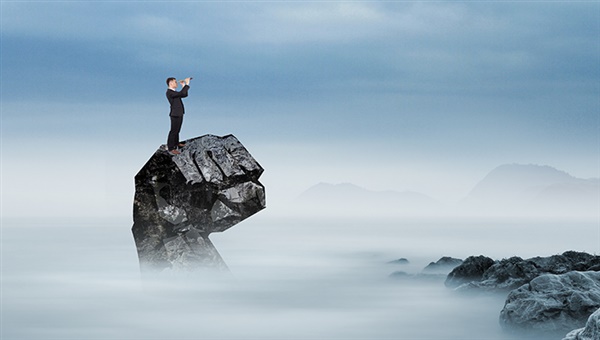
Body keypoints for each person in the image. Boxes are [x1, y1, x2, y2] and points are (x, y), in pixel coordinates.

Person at [166, 77, 191, 155]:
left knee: (177, 130)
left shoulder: (174, 92)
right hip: (175, 114)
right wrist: (187, 84)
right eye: (175, 82)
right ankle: (170, 148)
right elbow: (182, 93)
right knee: (173, 131)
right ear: (170, 83)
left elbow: (184, 94)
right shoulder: (169, 92)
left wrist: (183, 85)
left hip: (179, 113)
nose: (176, 83)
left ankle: (176, 143)